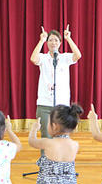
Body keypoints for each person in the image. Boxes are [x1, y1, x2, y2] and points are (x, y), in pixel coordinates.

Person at [30, 25, 82, 154]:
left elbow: (78, 55)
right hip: (45, 103)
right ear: (47, 43)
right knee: (46, 136)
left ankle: (62, 162)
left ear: (59, 43)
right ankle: (45, 164)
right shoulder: (43, 57)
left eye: (56, 40)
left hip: (62, 104)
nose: (53, 42)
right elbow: (33, 59)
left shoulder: (64, 58)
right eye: (51, 40)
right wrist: (41, 40)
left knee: (63, 135)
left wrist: (68, 38)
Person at [28, 104, 83, 184]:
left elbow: (32, 141)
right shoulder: (75, 145)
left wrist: (34, 129)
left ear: (55, 126)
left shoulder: (47, 143)